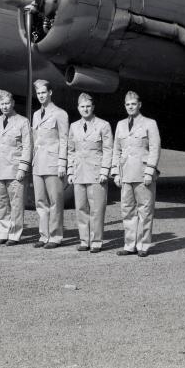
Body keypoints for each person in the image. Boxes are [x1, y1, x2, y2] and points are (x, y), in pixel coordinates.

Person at [112, 91, 162, 257]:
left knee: (145, 210)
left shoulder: (150, 123)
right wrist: (116, 173)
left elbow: (155, 148)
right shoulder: (120, 125)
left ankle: (143, 245)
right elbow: (116, 150)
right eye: (127, 104)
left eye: (133, 104)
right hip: (126, 173)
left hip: (142, 173)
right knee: (127, 211)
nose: (130, 107)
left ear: (139, 105)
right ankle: (130, 245)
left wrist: (150, 171)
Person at [67, 93, 113, 253]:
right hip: (79, 172)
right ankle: (84, 240)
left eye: (88, 106)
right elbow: (71, 150)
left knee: (96, 208)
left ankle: (96, 241)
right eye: (82, 107)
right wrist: (70, 172)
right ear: (78, 108)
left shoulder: (103, 125)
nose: (85, 109)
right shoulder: (74, 126)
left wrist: (104, 171)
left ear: (93, 107)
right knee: (80, 208)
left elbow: (108, 150)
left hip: (96, 172)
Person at [0, 89, 32, 246]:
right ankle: (2, 233)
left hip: (15, 169)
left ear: (12, 103)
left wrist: (22, 168)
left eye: (7, 103)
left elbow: (27, 146)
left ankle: (14, 234)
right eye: (2, 104)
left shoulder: (22, 121)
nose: (5, 106)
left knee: (16, 204)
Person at [31, 79, 69, 249]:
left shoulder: (60, 114)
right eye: (38, 93)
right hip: (38, 162)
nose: (41, 96)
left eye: (43, 93)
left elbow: (64, 139)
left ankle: (55, 236)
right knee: (40, 201)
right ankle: (43, 235)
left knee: (55, 201)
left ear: (50, 93)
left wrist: (62, 163)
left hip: (53, 162)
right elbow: (34, 140)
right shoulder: (36, 115)